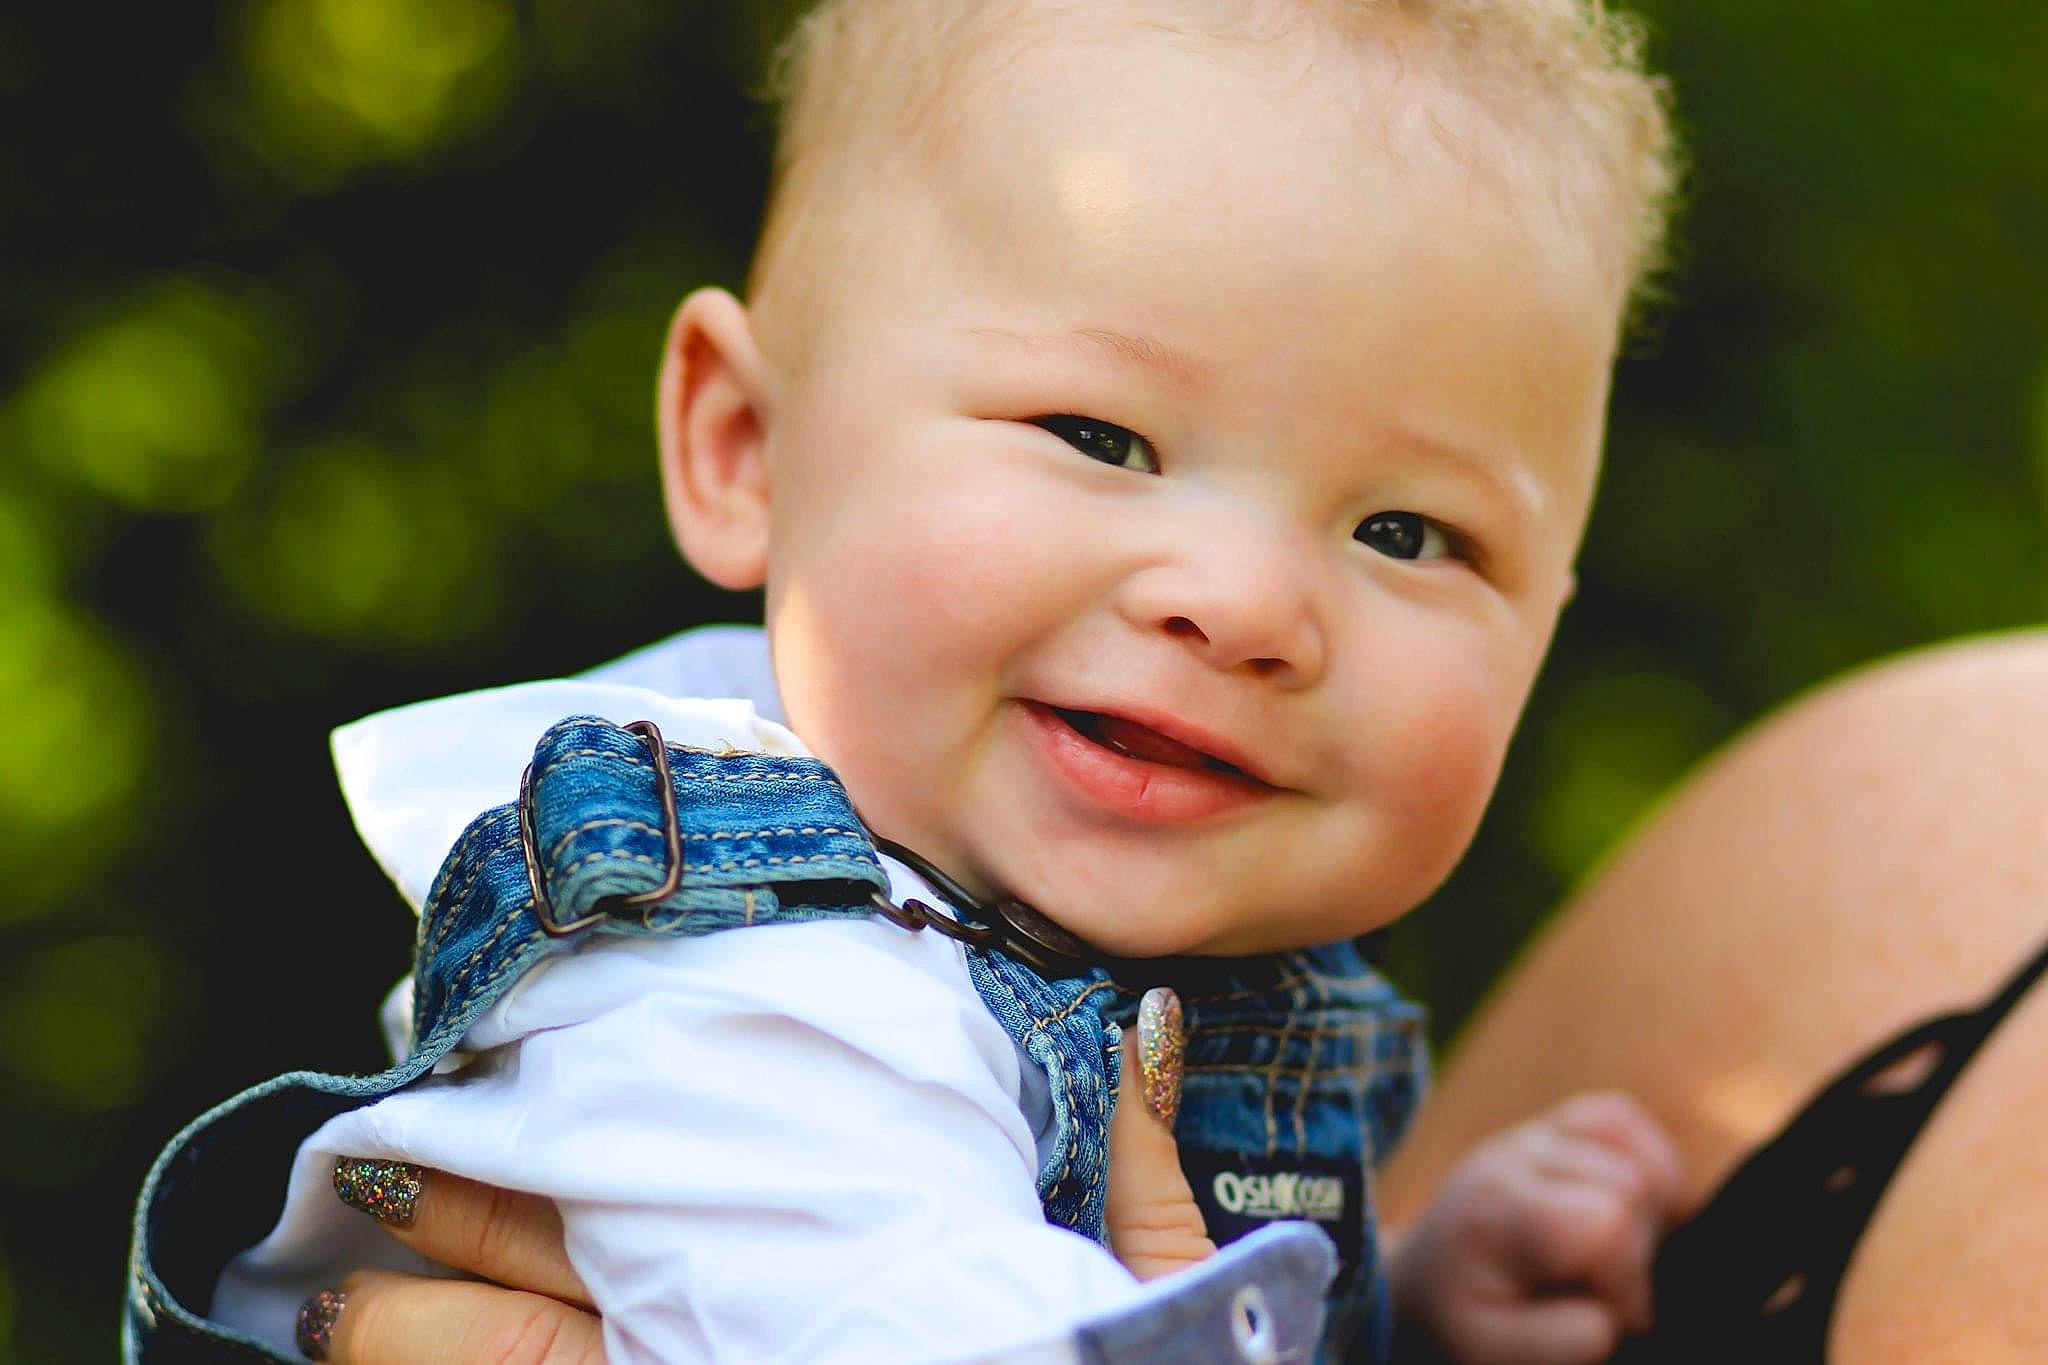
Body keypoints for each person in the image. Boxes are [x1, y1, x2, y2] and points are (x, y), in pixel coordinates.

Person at [126, 0, 1690, 1359]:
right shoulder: (735, 984)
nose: (1244, 604)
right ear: (746, 449)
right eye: (1100, 437)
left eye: (1406, 532)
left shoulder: (1166, 955)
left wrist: (1392, 1290)